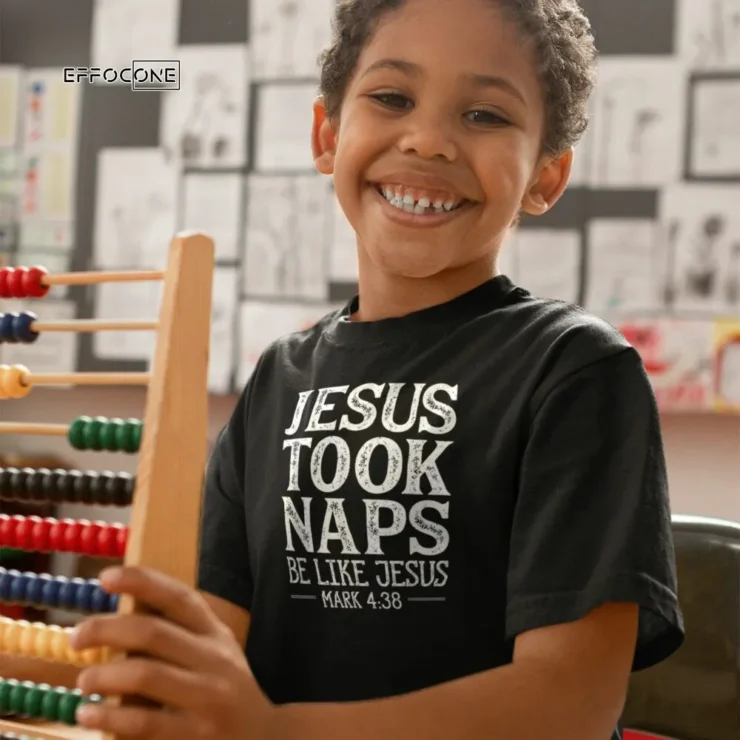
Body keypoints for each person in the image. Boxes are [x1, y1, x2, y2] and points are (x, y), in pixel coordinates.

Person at [69, 0, 685, 737]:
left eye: (486, 115)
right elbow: (214, 642)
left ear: (545, 177)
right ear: (327, 134)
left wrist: (272, 732)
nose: (428, 141)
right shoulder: (278, 380)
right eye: (392, 98)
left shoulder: (575, 371)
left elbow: (569, 705)